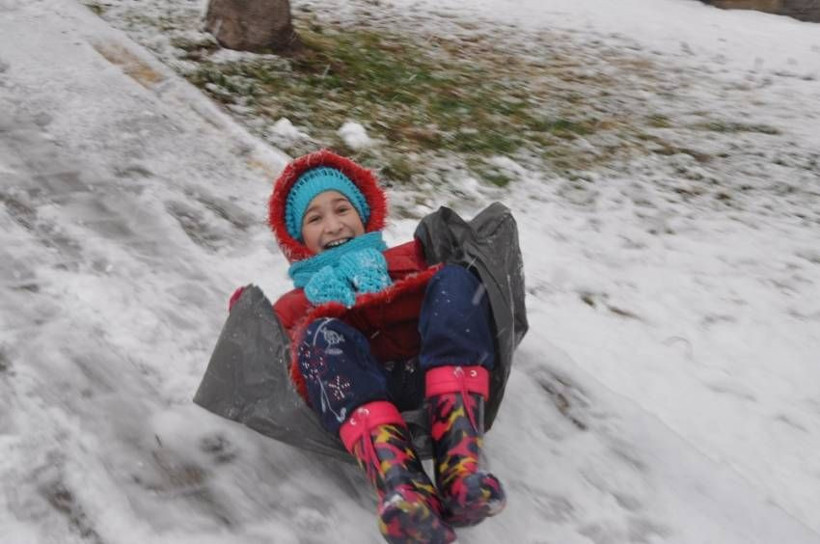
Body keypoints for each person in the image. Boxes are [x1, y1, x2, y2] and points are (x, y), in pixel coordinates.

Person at [263, 150, 508, 544]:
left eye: (342, 208)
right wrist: (247, 316)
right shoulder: (296, 302)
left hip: (432, 374)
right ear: (298, 238)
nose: (333, 225)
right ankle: (402, 485)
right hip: (357, 397)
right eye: (314, 218)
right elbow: (265, 345)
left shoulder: (408, 257)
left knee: (457, 281)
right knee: (317, 335)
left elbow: (457, 291)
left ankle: (459, 464)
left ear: (363, 214)